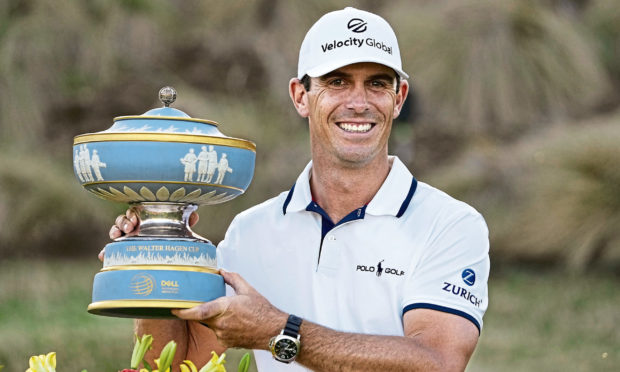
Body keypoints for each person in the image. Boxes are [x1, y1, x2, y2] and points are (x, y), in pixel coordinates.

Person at [109, 7, 489, 371]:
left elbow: (437, 362)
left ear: (399, 97)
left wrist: (280, 330)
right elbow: (174, 363)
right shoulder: (250, 232)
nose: (359, 102)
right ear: (300, 96)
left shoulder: (450, 224)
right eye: (337, 81)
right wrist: (158, 255)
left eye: (376, 83)